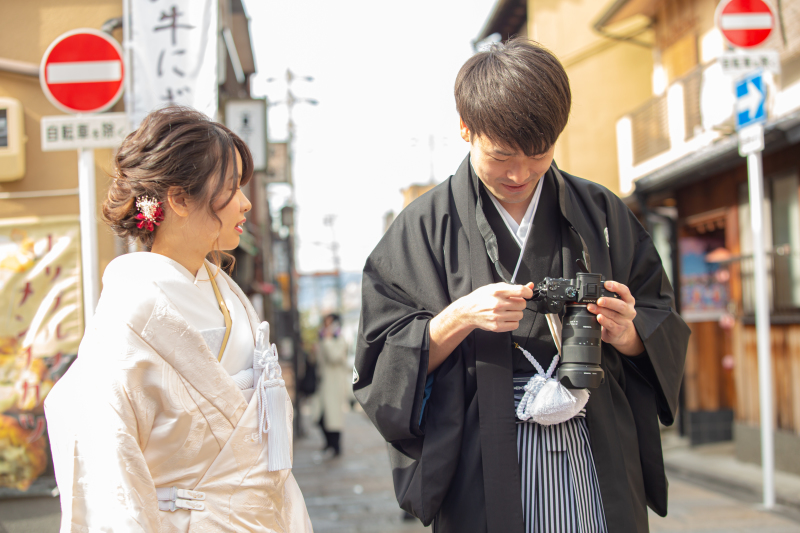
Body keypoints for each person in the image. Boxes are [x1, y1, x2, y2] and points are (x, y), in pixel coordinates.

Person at [354, 39, 689, 533]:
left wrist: (630, 334)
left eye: (540, 154)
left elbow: (660, 318)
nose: (520, 173)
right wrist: (458, 318)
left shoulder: (602, 212)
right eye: (501, 155)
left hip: (593, 445)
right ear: (465, 129)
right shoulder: (422, 226)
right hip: (482, 452)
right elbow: (381, 363)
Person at [44, 106, 313, 532]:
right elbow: (111, 467)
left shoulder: (226, 293)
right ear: (179, 198)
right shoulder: (128, 316)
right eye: (230, 187)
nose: (244, 202)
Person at [316, 313, 348, 456]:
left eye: (329, 323)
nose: (326, 325)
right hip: (324, 385)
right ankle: (329, 444)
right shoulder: (324, 339)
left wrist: (327, 340)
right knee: (320, 417)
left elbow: (334, 357)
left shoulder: (339, 339)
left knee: (333, 417)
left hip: (335, 385)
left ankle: (336, 447)